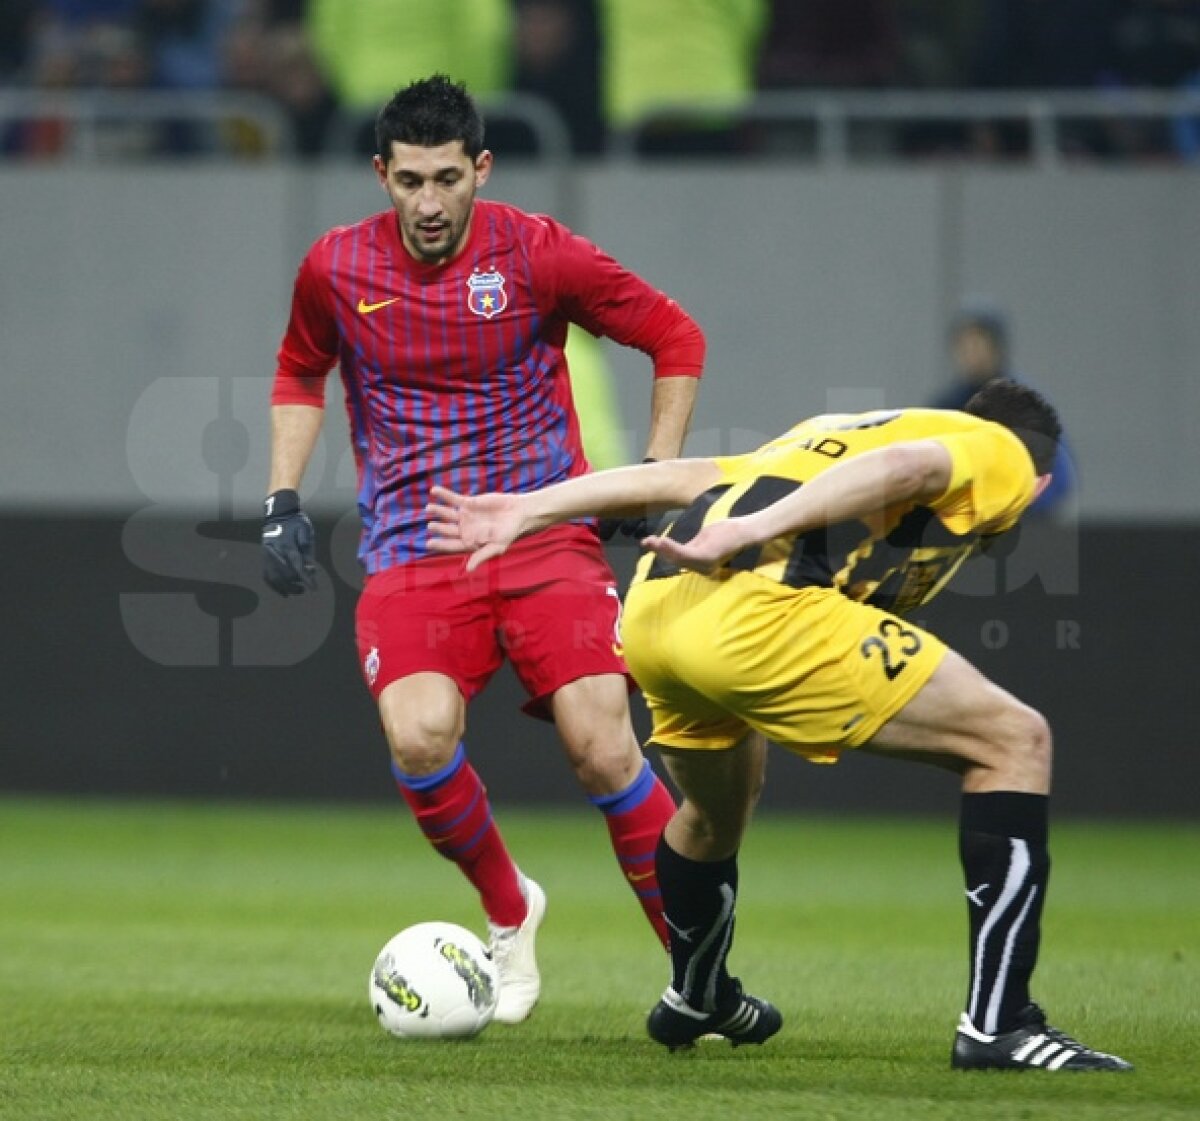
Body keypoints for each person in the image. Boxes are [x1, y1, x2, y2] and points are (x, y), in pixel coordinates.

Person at [425, 379, 1133, 1071]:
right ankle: (1000, 1024)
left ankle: (699, 993)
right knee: (1015, 741)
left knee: (710, 811)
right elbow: (906, 468)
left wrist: (529, 509)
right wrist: (752, 529)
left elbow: (687, 477)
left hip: (657, 619)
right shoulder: (1001, 451)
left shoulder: (837, 431)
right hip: (758, 612)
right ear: (1039, 486)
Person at [261, 75, 703, 1023]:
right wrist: (281, 499)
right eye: (410, 180)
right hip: (415, 547)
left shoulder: (538, 252)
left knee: (600, 738)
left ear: (481, 171)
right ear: (381, 174)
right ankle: (510, 908)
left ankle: (697, 966)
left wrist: (653, 473)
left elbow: (675, 335)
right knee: (418, 736)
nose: (429, 203)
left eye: (448, 179)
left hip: (544, 535)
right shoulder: (334, 269)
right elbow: (301, 369)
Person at [931, 303, 1074, 514]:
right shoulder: (946, 407)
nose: (971, 352)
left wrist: (1014, 511)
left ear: (997, 347)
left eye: (979, 343)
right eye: (964, 344)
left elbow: (1057, 478)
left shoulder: (1025, 404)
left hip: (1021, 529)